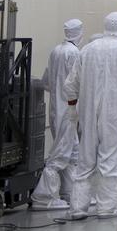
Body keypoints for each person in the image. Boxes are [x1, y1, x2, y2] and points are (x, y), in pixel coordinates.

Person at [64, 12, 117, 219]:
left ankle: (77, 207)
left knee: (85, 158)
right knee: (109, 157)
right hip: (115, 112)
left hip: (87, 111)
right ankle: (106, 207)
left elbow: (71, 83)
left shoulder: (87, 50)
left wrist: (72, 107)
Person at [32, 19, 83, 210]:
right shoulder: (74, 53)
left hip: (56, 110)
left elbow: (46, 82)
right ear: (79, 32)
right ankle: (43, 196)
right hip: (68, 112)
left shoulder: (55, 51)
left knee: (72, 154)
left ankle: (72, 193)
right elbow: (79, 84)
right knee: (61, 154)